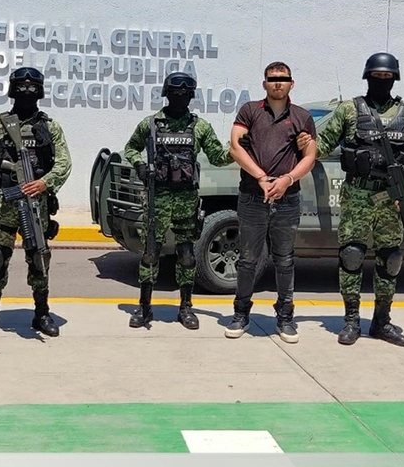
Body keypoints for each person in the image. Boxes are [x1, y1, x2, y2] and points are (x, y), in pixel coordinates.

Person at [299, 52, 404, 347]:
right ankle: (352, 321)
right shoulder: (349, 110)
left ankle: (382, 322)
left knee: (390, 260)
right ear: (367, 77)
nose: (381, 81)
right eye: (376, 76)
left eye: (387, 77)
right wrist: (304, 142)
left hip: (392, 199)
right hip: (357, 195)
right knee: (351, 256)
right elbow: (324, 144)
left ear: (394, 79)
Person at [122, 72, 233, 329]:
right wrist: (139, 165)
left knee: (186, 256)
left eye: (185, 92)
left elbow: (217, 156)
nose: (180, 95)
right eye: (175, 91)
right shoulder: (150, 124)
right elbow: (130, 148)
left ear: (191, 95)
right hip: (158, 198)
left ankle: (185, 308)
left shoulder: (200, 126)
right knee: (150, 254)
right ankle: (144, 307)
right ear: (166, 93)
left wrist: (238, 149)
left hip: (186, 199)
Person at [0, 67, 72, 338]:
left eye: (32, 87)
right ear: (13, 90)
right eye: (22, 87)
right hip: (4, 204)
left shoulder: (50, 127)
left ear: (40, 91)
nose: (27, 92)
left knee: (39, 259)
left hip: (36, 205)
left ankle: (42, 312)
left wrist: (44, 183)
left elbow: (64, 162)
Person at [226, 62, 317, 343]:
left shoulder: (302, 117)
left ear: (292, 83)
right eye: (273, 79)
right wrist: (262, 177)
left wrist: (286, 180)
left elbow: (310, 157)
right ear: (264, 83)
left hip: (287, 199)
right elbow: (235, 146)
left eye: (283, 79)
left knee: (285, 260)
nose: (278, 83)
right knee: (248, 260)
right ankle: (241, 313)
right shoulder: (250, 111)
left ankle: (285, 316)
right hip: (253, 195)